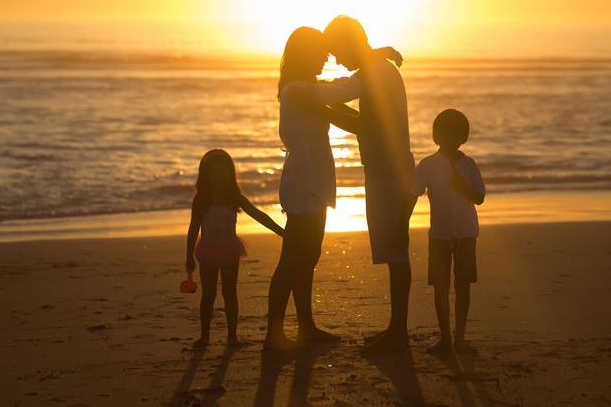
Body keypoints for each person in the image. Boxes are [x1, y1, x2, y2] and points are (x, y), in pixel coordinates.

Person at [265, 26, 403, 351]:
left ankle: (306, 326)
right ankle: (274, 333)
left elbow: (339, 91)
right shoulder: (297, 89)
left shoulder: (307, 87)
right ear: (305, 54)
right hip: (303, 181)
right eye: (321, 53)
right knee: (292, 258)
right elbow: (343, 91)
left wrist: (374, 55)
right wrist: (375, 57)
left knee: (308, 255)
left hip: (314, 179)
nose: (326, 59)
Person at [185, 149, 285, 349]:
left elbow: (258, 215)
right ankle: (204, 337)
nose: (218, 176)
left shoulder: (234, 197)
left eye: (223, 172)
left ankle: (232, 337)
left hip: (230, 249)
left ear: (230, 174)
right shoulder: (201, 199)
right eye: (214, 172)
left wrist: (281, 232)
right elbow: (193, 228)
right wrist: (188, 256)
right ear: (205, 175)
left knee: (230, 293)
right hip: (208, 251)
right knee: (208, 295)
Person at [411, 109, 485, 354]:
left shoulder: (469, 164)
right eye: (445, 134)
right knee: (440, 286)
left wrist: (461, 187)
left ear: (463, 137)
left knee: (463, 285)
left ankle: (460, 337)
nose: (450, 139)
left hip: (465, 233)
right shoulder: (428, 165)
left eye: (455, 134)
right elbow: (413, 192)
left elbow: (479, 197)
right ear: (437, 136)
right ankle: (445, 338)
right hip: (440, 234)